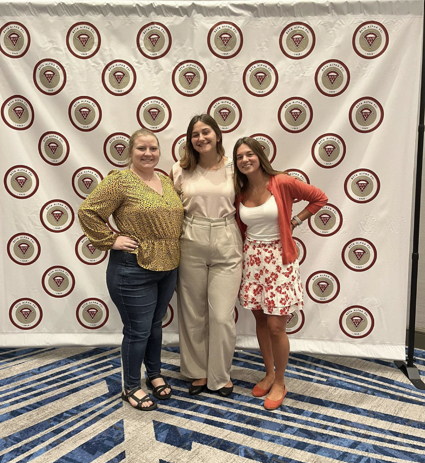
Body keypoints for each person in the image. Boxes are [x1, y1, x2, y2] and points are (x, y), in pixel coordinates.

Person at [78, 129, 184, 411]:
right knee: (138, 330)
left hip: (167, 265)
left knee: (154, 325)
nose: (148, 153)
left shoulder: (164, 179)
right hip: (132, 268)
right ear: (130, 152)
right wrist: (111, 239)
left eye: (153, 148)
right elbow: (88, 211)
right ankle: (131, 387)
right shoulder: (120, 181)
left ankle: (154, 374)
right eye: (141, 148)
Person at [233, 137, 328, 410]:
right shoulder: (241, 191)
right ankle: (269, 373)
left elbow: (319, 198)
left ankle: (281, 381)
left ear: (260, 156)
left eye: (249, 154)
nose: (244, 160)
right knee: (261, 320)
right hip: (252, 260)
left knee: (277, 326)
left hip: (279, 260)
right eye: (239, 157)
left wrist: (296, 220)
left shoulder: (282, 182)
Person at [170, 114, 243, 397]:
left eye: (206, 132)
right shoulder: (180, 169)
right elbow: (172, 208)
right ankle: (197, 372)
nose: (201, 138)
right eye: (195, 134)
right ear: (190, 140)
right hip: (191, 236)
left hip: (226, 235)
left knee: (222, 315)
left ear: (217, 134)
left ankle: (220, 375)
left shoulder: (233, 167)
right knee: (193, 313)